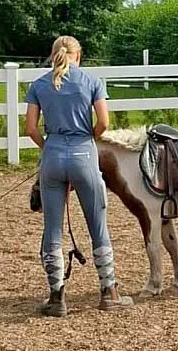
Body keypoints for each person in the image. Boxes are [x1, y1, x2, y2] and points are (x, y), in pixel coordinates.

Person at [25, 35, 133, 316]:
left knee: (52, 229)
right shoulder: (92, 81)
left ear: (53, 55)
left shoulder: (38, 85)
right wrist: (87, 138)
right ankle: (109, 291)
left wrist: (50, 147)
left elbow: (32, 130)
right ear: (78, 55)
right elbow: (104, 122)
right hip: (84, 153)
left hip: (52, 156)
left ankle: (56, 296)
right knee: (98, 225)